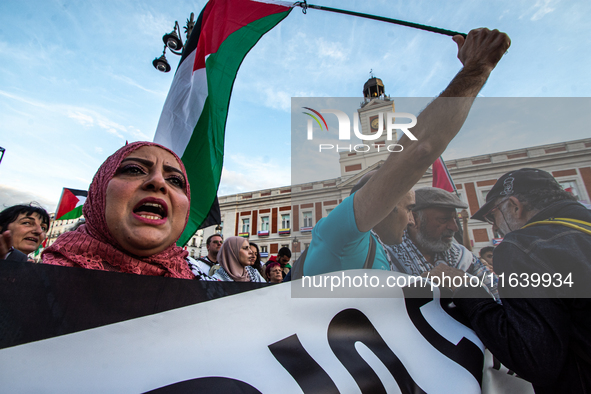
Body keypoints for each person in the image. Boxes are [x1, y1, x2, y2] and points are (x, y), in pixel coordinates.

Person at [303, 28, 511, 276]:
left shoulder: (383, 249)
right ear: (382, 203)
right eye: (409, 209)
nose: (413, 221)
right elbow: (420, 150)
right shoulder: (340, 237)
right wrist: (478, 67)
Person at [434, 168, 591, 393]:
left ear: (515, 206)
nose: (494, 227)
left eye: (493, 215)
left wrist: (466, 290)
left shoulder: (523, 245)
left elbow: (536, 359)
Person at [42, 141, 201, 279]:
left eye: (174, 180)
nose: (158, 182)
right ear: (99, 191)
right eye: (134, 170)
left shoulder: (206, 288)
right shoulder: (32, 285)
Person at [389, 187, 498, 298]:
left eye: (454, 219)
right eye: (444, 219)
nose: (454, 227)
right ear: (414, 218)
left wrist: (466, 284)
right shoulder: (389, 256)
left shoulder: (463, 256)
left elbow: (498, 292)